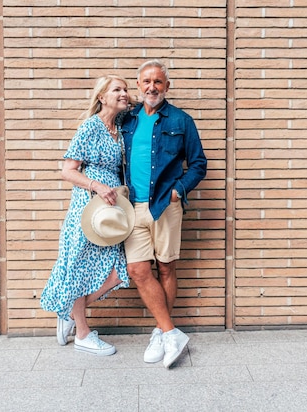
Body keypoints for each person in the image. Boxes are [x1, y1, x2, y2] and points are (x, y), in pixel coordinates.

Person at [121, 60, 207, 368]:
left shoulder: (181, 120)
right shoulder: (126, 120)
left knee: (167, 269)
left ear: (166, 86)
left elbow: (199, 164)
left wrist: (177, 191)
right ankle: (172, 332)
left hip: (165, 205)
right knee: (138, 271)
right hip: (132, 207)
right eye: (146, 81)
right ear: (139, 85)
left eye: (158, 82)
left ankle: (160, 331)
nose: (152, 87)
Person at [40, 75, 133, 356]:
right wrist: (97, 185)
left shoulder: (119, 128)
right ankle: (82, 333)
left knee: (120, 272)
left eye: (126, 89)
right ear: (102, 97)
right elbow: (68, 170)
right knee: (79, 269)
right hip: (88, 207)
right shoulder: (90, 127)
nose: (124, 93)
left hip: (111, 209)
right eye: (117, 89)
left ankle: (69, 311)